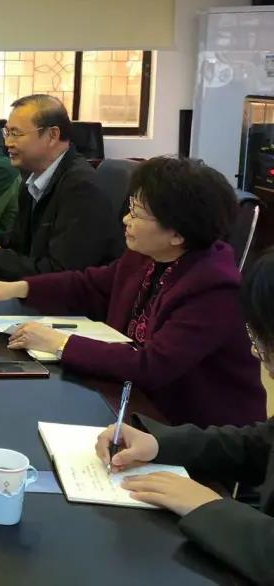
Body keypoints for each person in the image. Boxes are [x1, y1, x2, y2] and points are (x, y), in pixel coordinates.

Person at [0, 156, 264, 429]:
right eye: (131, 208)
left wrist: (59, 343)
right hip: (131, 401)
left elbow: (152, 365)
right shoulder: (146, 254)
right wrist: (18, 287)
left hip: (192, 430)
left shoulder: (213, 289)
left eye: (138, 214)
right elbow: (90, 284)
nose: (126, 220)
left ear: (177, 233)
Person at [92, 249, 274, 584]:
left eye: (261, 339)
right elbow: (260, 442)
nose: (254, 350)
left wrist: (210, 507)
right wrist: (159, 444)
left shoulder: (214, 284)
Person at [0, 94, 121, 280]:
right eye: (7, 132)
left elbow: (61, 275)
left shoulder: (81, 188)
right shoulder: (33, 178)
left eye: (16, 133)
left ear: (52, 135)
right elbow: (25, 246)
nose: (7, 143)